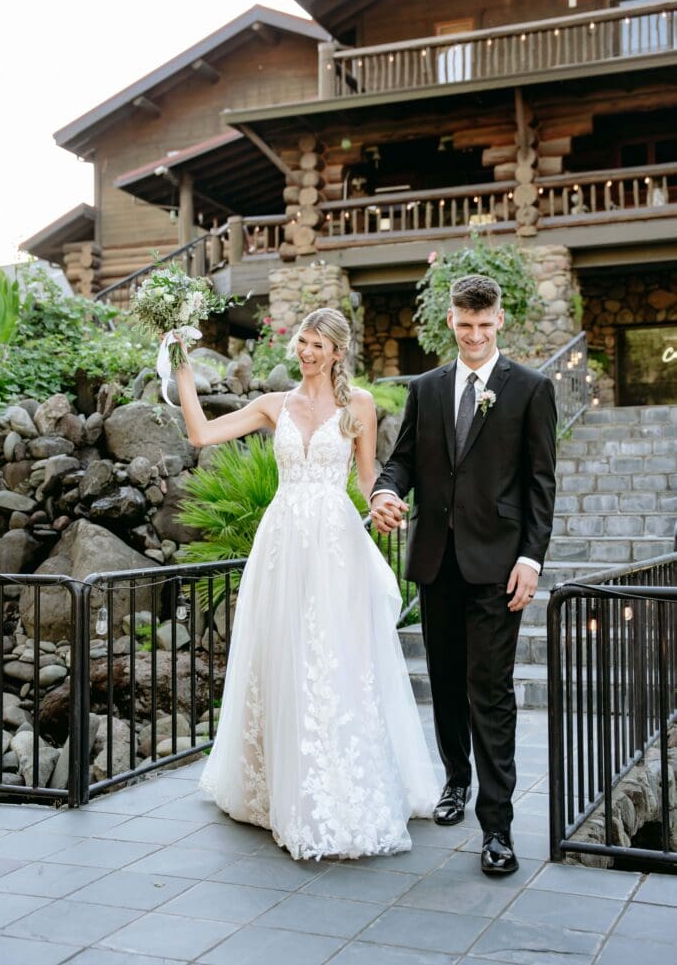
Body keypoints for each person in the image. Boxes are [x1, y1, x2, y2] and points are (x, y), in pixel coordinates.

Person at [174, 307, 437, 860]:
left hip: (337, 545)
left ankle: (344, 777)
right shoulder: (275, 405)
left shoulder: (358, 404)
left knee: (338, 655)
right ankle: (278, 783)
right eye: (303, 341)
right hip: (283, 545)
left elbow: (369, 481)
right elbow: (201, 433)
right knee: (284, 654)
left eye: (318, 344)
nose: (307, 351)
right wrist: (178, 360)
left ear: (338, 351)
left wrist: (386, 503)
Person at [371, 275, 557, 876]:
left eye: (484, 325)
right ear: (449, 321)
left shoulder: (530, 389)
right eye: (464, 324)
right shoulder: (424, 389)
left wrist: (531, 559)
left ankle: (497, 828)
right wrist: (384, 492)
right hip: (435, 561)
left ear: (499, 321)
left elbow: (539, 484)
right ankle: (455, 780)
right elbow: (401, 460)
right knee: (446, 681)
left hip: (499, 566)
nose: (474, 336)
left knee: (492, 690)